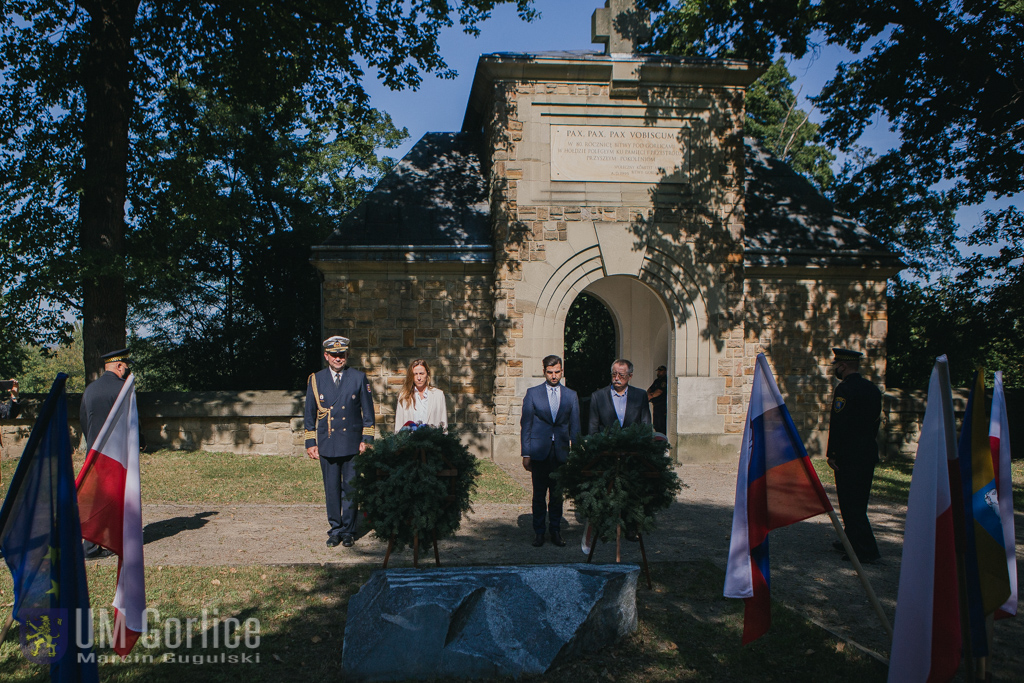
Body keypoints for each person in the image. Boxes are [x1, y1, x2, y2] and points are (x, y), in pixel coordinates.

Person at [305, 336, 375, 549]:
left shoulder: (358, 378)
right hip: (328, 442)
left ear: (346, 355)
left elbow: (368, 414)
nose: (338, 358)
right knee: (332, 489)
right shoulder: (316, 380)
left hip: (352, 443)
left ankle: (348, 530)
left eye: (341, 354)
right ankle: (335, 529)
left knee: (351, 488)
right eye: (334, 355)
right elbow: (309, 413)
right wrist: (310, 442)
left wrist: (367, 440)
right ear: (326, 356)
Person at [826, 348, 882, 563]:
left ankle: (866, 550)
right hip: (867, 453)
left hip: (849, 456)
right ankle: (851, 541)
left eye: (836, 366)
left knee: (851, 504)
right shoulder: (872, 389)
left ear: (842, 366)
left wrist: (832, 453)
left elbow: (839, 424)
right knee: (858, 500)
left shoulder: (845, 390)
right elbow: (875, 422)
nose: (836, 369)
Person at [520, 355, 581, 548]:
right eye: (550, 372)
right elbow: (526, 425)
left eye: (557, 372)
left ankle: (555, 530)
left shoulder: (571, 395)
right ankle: (539, 532)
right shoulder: (533, 393)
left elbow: (575, 426)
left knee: (556, 494)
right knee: (539, 494)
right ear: (544, 371)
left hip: (560, 452)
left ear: (562, 371)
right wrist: (526, 453)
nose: (554, 376)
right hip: (539, 451)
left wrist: (577, 453)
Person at [79, 348, 133, 559]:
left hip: (94, 450)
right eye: (126, 367)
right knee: (115, 496)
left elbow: (84, 419)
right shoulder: (123, 389)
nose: (127, 370)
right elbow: (131, 420)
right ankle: (92, 546)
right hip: (115, 453)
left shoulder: (90, 390)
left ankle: (100, 540)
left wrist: (93, 441)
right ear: (119, 366)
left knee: (97, 497)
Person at [588, 359, 652, 435]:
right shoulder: (598, 396)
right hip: (607, 444)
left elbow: (646, 424)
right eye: (614, 374)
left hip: (633, 444)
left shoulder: (640, 395)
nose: (617, 378)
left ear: (630, 376)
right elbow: (593, 426)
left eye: (621, 375)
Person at [395, 359, 448, 430]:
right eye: (415, 374)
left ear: (427, 374)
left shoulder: (438, 395)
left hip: (432, 439)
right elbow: (398, 426)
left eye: (421, 373)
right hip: (410, 440)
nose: (419, 378)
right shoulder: (404, 396)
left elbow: (444, 424)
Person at [646, 365, 668, 434]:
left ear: (664, 372)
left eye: (660, 371)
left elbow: (659, 391)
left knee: (661, 423)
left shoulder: (664, 381)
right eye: (658, 371)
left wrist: (651, 396)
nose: (658, 372)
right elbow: (650, 389)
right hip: (656, 405)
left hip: (662, 405)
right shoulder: (657, 381)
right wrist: (648, 394)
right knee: (656, 424)